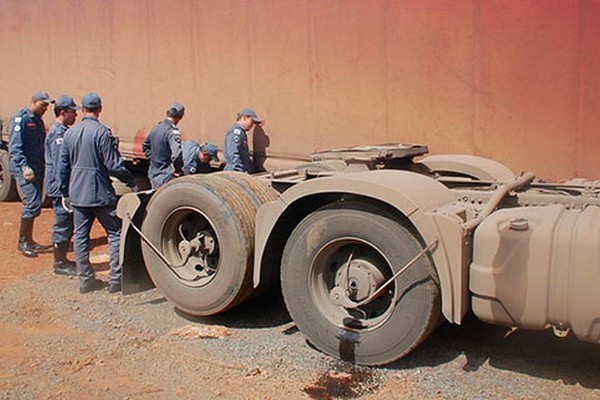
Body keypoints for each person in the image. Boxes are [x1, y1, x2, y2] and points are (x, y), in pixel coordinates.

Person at [57, 93, 137, 294]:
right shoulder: (102, 133)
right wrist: (130, 180)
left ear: (82, 109)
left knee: (81, 237)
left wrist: (64, 192)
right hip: (100, 192)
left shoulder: (69, 133)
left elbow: (63, 166)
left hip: (78, 193)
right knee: (115, 233)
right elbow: (112, 164)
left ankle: (85, 281)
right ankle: (115, 280)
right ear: (99, 109)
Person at [9, 91, 54, 258]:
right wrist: (23, 167)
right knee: (32, 203)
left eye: (47, 106)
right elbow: (15, 147)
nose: (45, 109)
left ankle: (29, 239)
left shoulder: (38, 121)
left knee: (35, 204)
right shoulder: (21, 119)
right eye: (43, 105)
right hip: (26, 170)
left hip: (37, 168)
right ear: (34, 102)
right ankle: (23, 242)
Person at [45, 95, 80, 276]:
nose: (75, 115)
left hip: (62, 185)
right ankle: (59, 263)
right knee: (62, 223)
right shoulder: (58, 134)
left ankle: (63, 260)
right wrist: (64, 191)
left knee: (67, 223)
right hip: (60, 187)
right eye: (73, 112)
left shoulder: (63, 131)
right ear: (63, 112)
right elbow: (61, 165)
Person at [142, 103, 185, 189]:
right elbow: (176, 154)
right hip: (166, 175)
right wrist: (178, 169)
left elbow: (145, 146)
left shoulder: (156, 128)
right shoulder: (172, 132)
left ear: (167, 113)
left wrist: (154, 158)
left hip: (153, 173)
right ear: (181, 117)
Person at [223, 108, 261, 173]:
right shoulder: (236, 132)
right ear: (245, 118)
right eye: (252, 121)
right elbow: (233, 154)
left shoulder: (241, 132)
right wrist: (239, 172)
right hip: (234, 171)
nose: (252, 125)